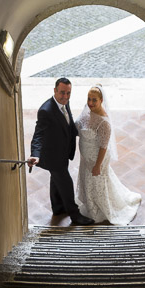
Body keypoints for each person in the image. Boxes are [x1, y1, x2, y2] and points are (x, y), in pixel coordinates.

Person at [27, 78, 95, 225]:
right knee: (65, 183)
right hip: (53, 156)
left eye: (68, 93)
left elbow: (67, 124)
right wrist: (35, 154)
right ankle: (75, 216)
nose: (65, 96)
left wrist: (83, 132)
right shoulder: (46, 110)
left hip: (63, 151)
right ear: (55, 91)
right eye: (62, 93)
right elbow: (38, 135)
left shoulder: (65, 103)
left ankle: (58, 208)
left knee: (56, 180)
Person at [74, 84, 141, 225]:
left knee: (97, 184)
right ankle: (89, 203)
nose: (90, 103)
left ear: (101, 100)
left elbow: (104, 147)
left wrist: (98, 165)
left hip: (97, 159)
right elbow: (78, 124)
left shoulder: (104, 122)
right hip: (86, 159)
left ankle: (99, 209)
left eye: (94, 100)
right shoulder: (86, 112)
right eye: (89, 99)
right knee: (88, 182)